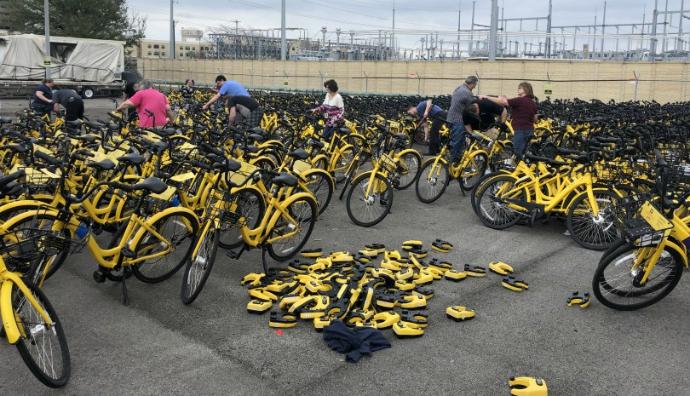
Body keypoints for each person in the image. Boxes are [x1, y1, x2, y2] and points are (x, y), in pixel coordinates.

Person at [480, 82, 538, 159]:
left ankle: (521, 168)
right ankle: (524, 166)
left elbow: (503, 102)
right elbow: (535, 119)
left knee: (518, 153)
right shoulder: (532, 103)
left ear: (526, 90)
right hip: (529, 130)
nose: (518, 89)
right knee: (523, 152)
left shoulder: (520, 100)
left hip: (520, 130)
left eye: (520, 88)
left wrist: (486, 97)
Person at [446, 76, 478, 164]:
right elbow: (474, 107)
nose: (475, 87)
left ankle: (454, 157)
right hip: (458, 119)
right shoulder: (467, 92)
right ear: (472, 84)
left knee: (454, 140)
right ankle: (454, 163)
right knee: (457, 142)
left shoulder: (458, 88)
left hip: (450, 118)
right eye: (475, 85)